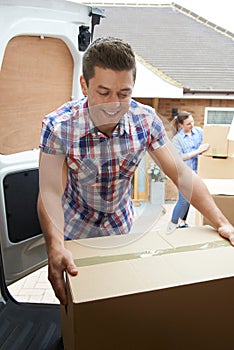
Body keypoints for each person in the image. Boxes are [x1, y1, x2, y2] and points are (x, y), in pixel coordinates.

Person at [37, 37, 234, 305]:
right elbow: (50, 191)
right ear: (84, 86)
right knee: (82, 312)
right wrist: (55, 246)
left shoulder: (146, 120)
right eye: (103, 92)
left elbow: (182, 175)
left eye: (124, 94)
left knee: (120, 302)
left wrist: (222, 223)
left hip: (122, 227)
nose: (114, 104)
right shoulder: (59, 126)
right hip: (74, 231)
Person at [167, 111, 209, 232]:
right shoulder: (177, 139)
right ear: (181, 125)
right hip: (184, 173)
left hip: (198, 172)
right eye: (188, 123)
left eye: (192, 122)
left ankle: (183, 222)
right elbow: (179, 157)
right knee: (183, 200)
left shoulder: (199, 132)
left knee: (190, 199)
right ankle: (172, 224)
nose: (192, 125)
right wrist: (198, 151)